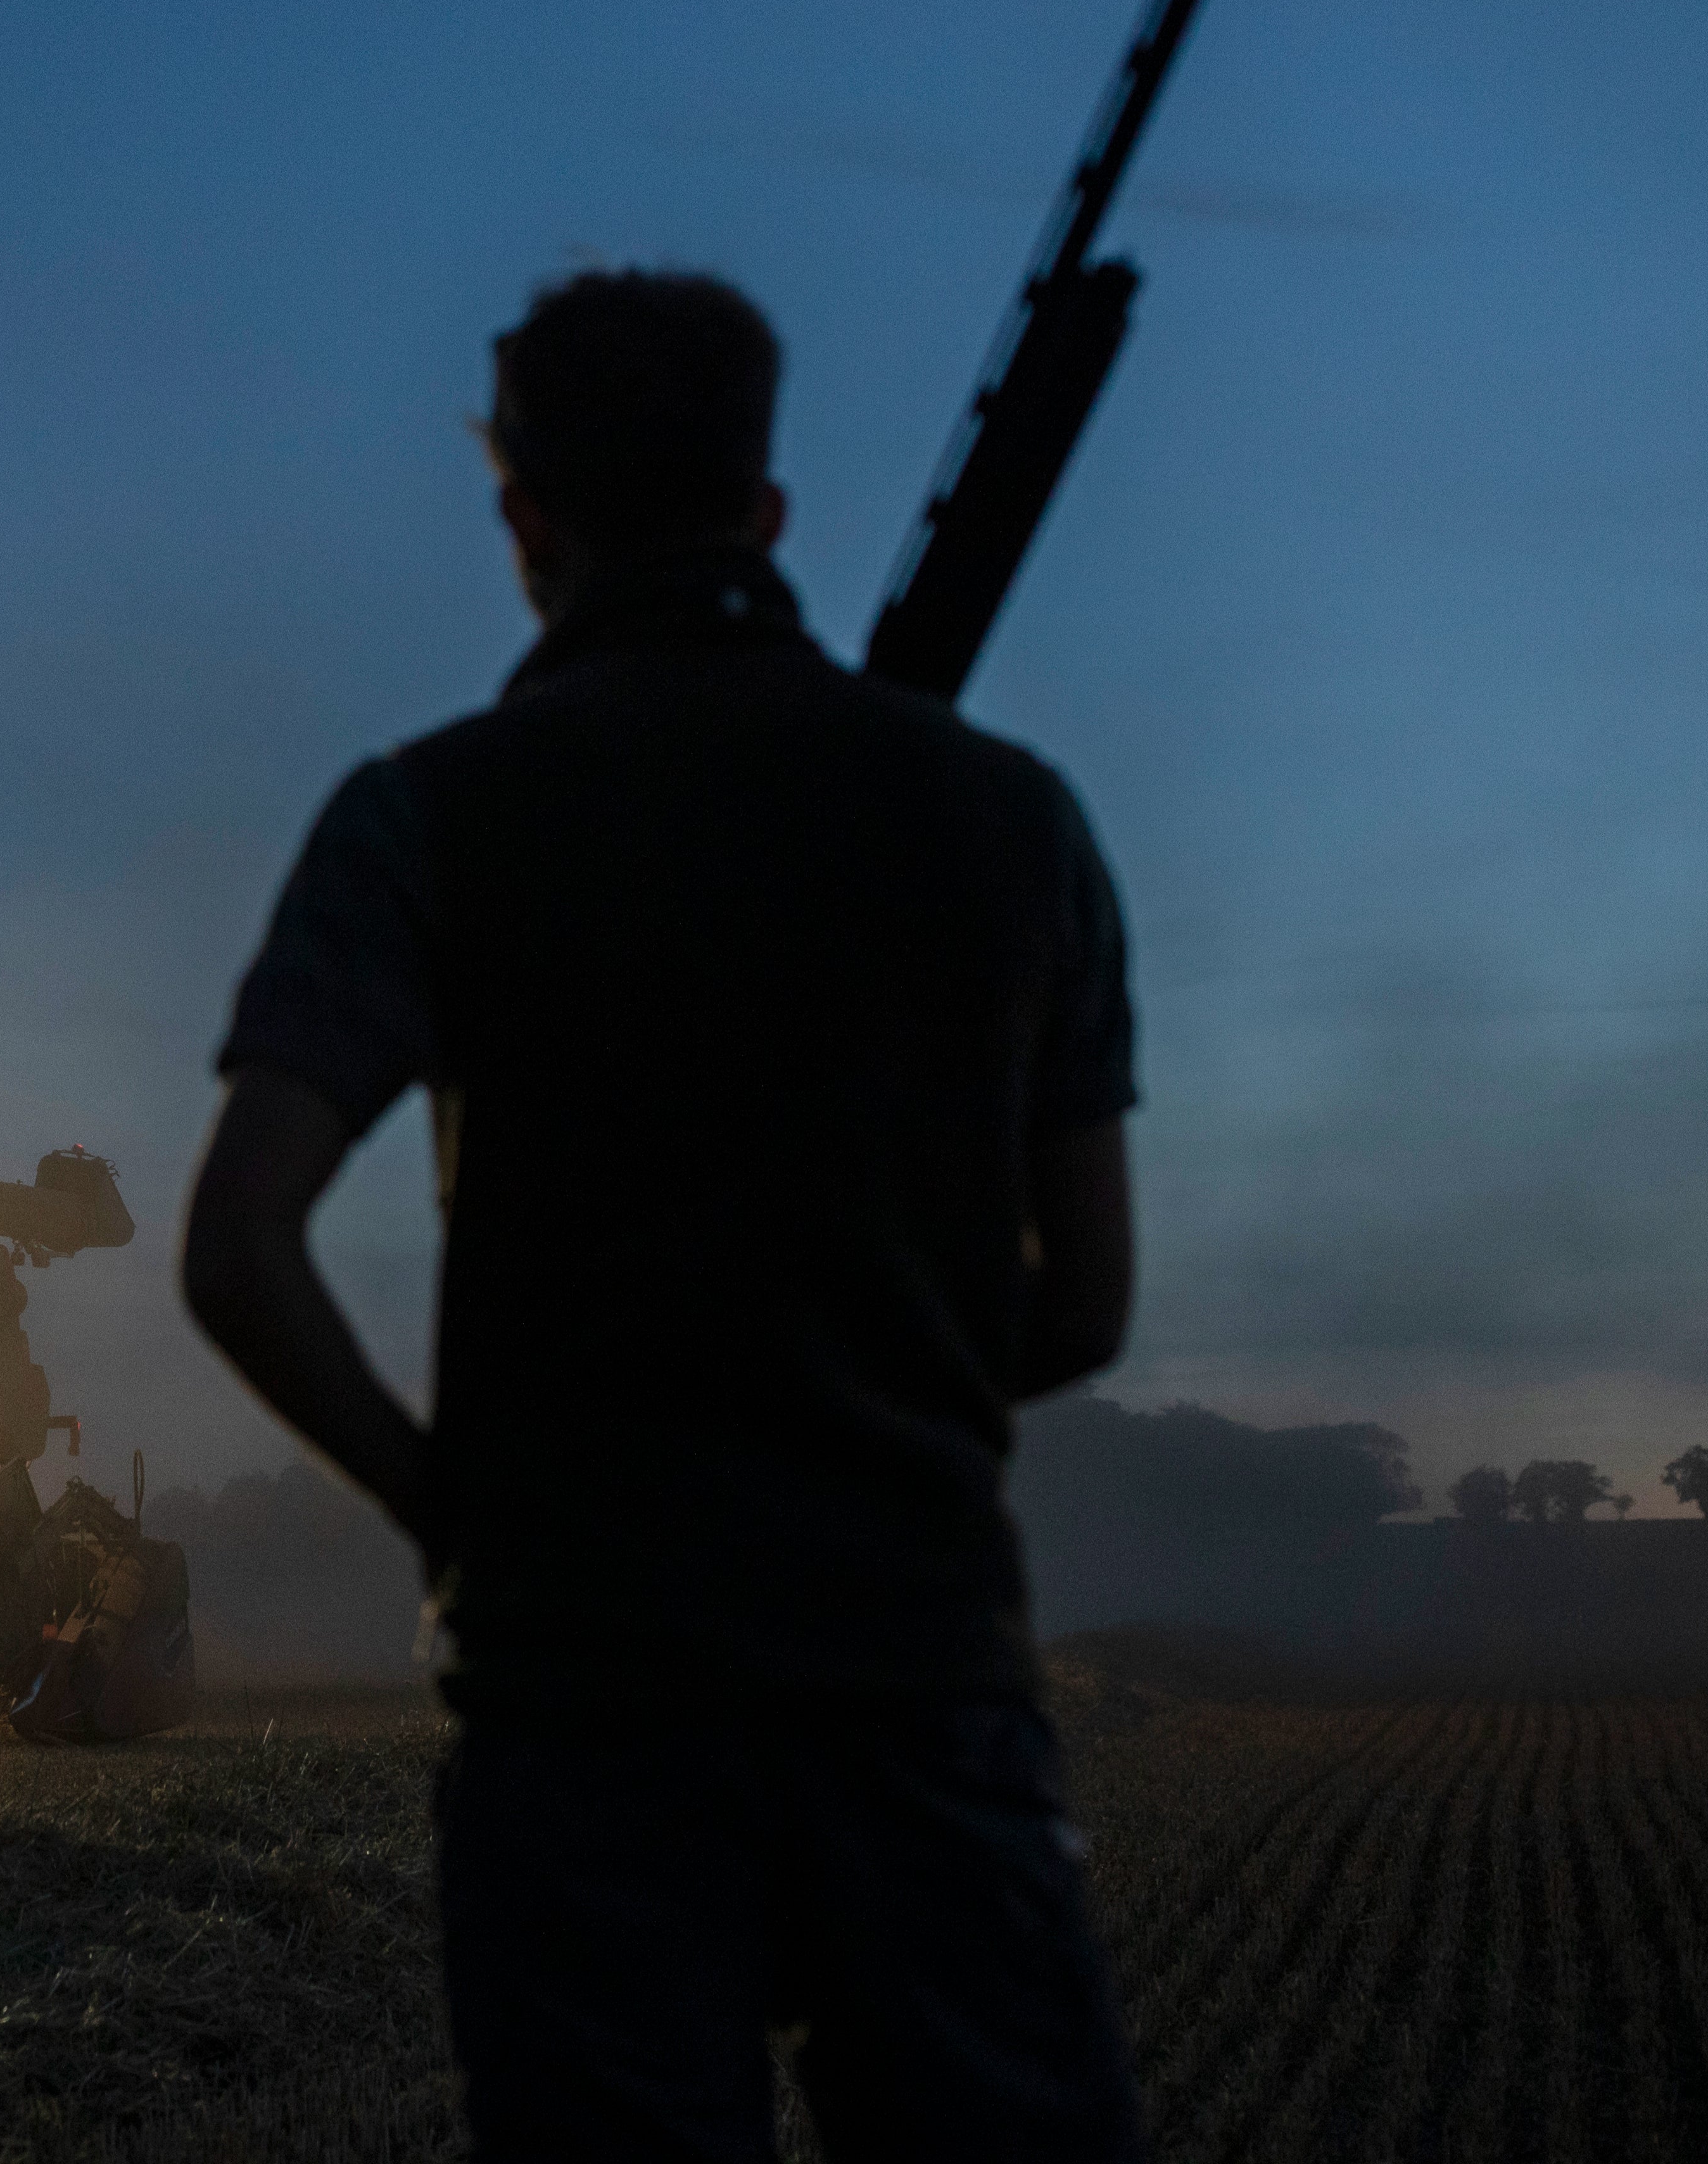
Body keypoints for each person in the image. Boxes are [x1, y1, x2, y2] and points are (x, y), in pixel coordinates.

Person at [180, 269, 1148, 2161]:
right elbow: (1087, 1304)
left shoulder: (422, 817)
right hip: (919, 1699)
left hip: (582, 1719)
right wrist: (880, 1391)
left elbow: (237, 1251)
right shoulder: (1011, 817)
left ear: (521, 517)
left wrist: (449, 1502)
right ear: (767, 507)